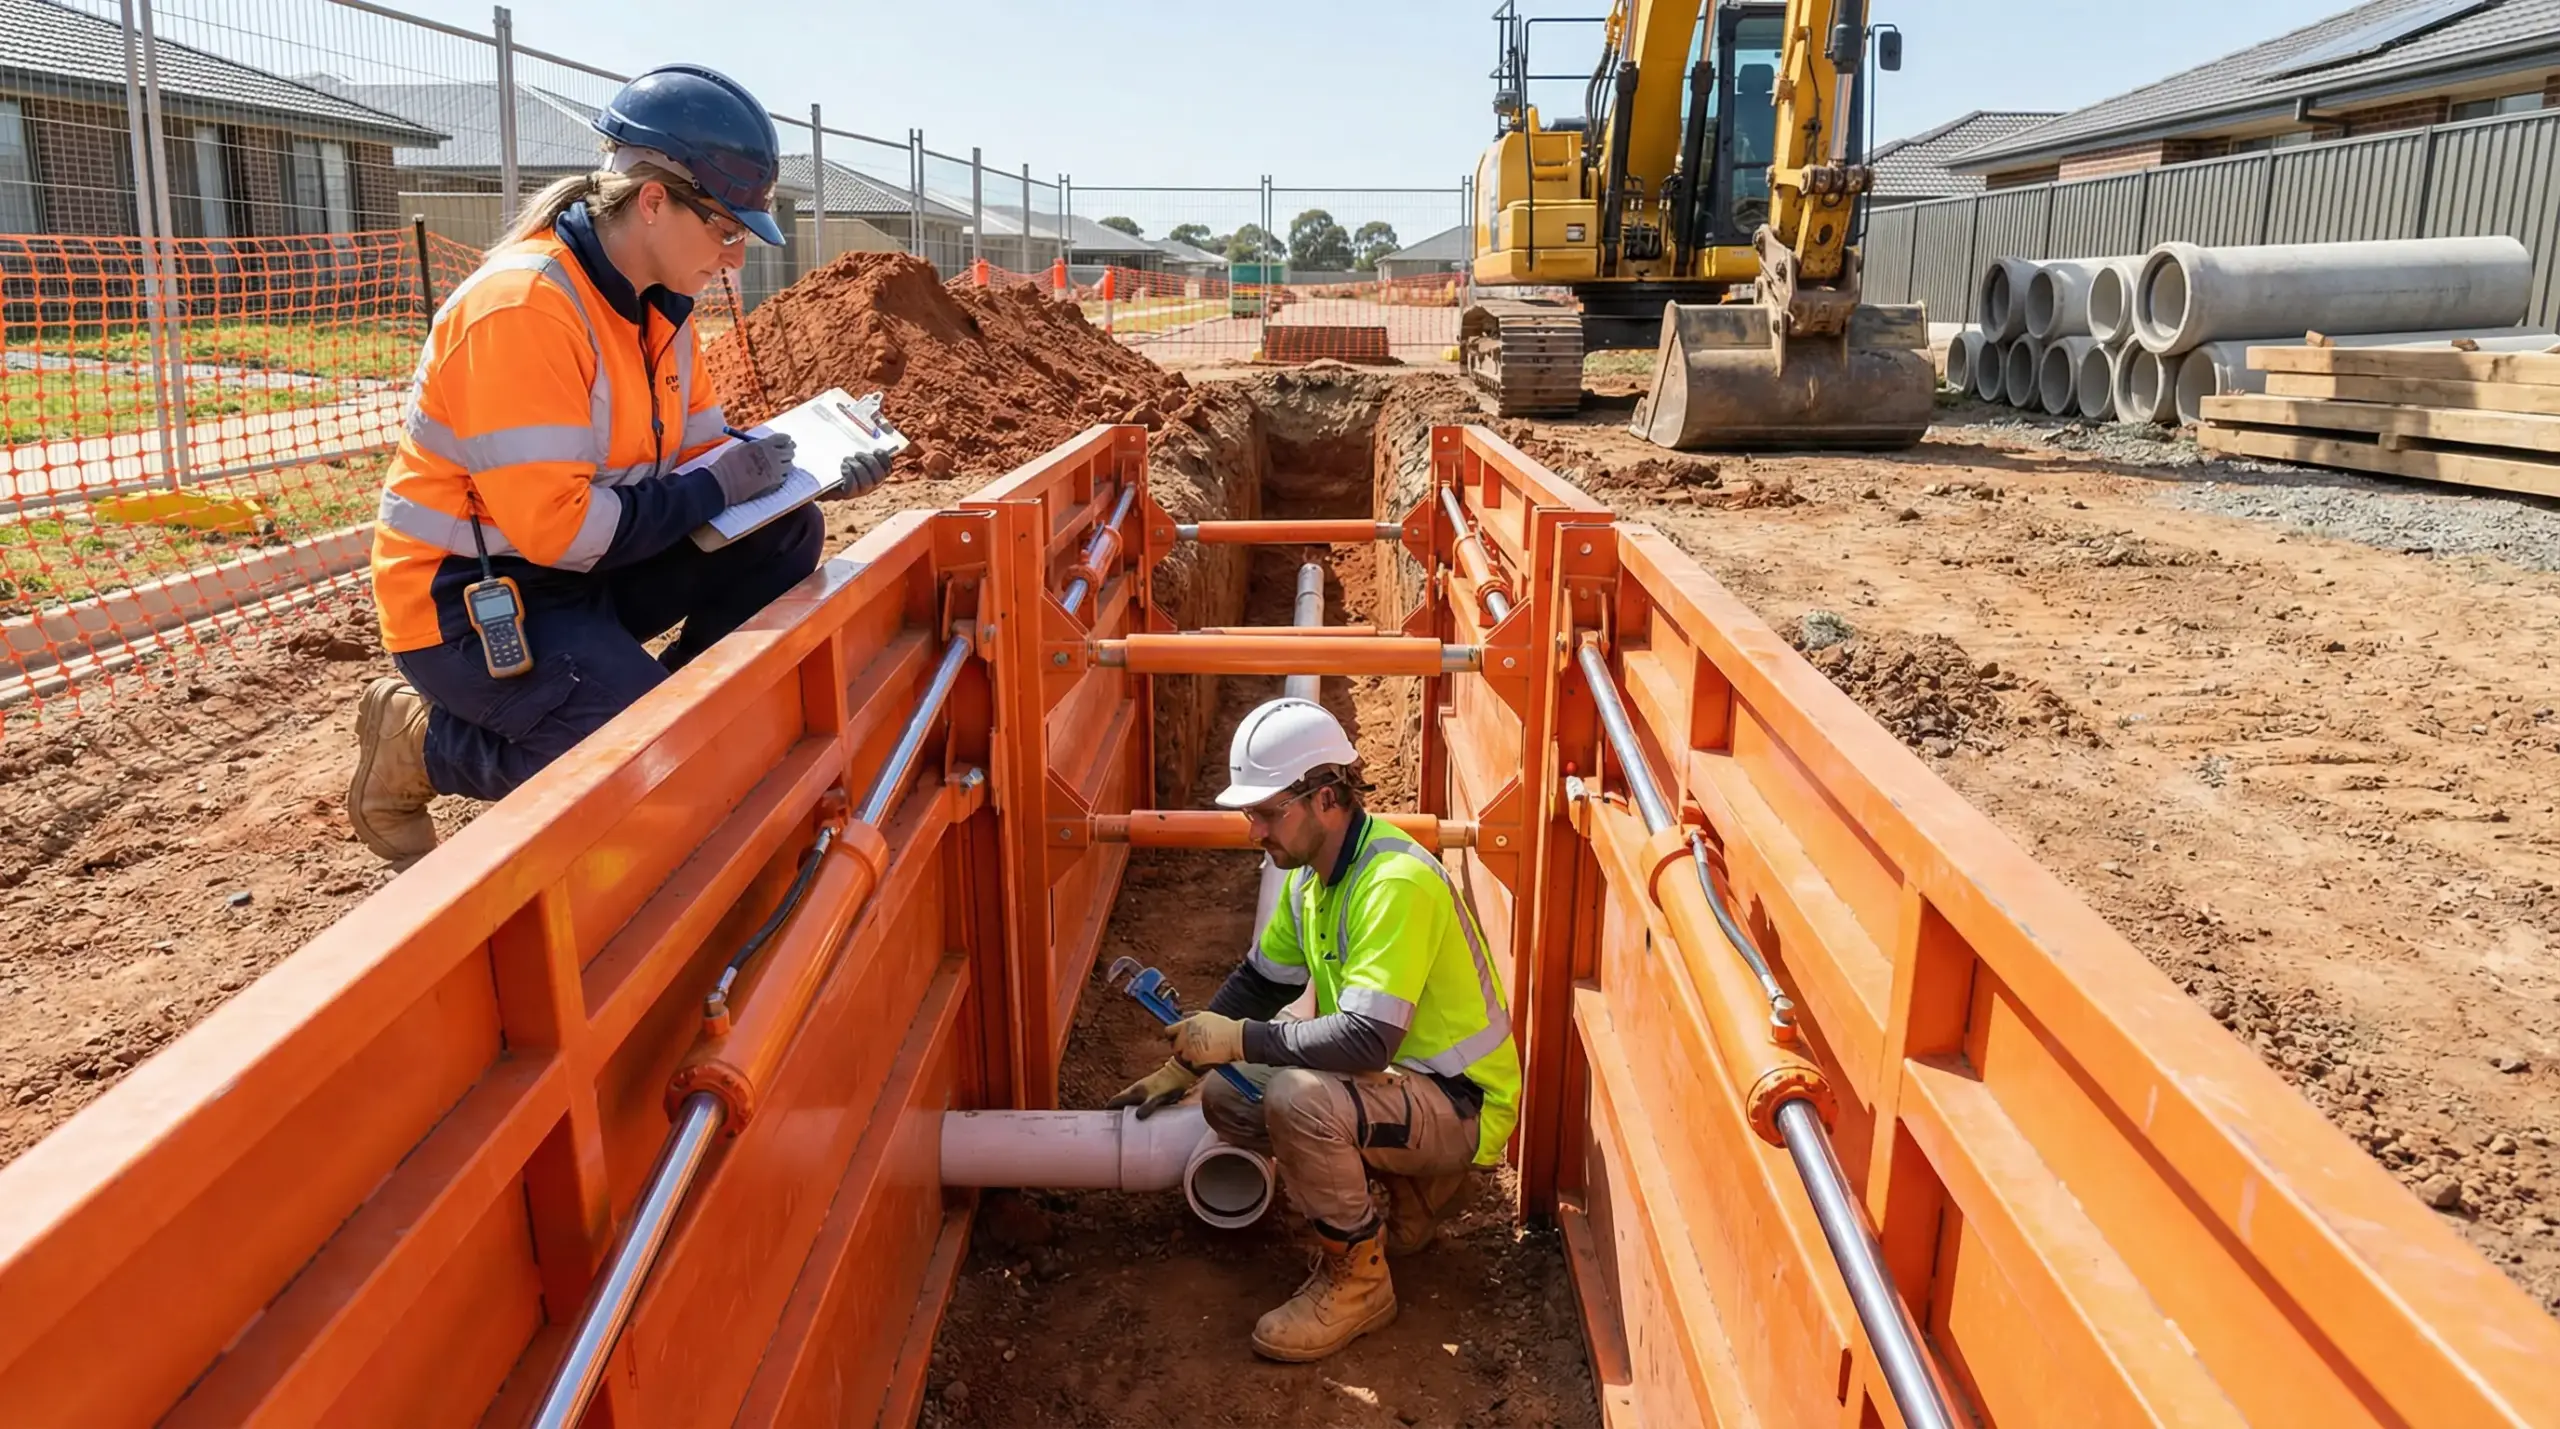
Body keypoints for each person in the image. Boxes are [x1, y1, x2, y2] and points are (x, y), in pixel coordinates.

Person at [348, 64, 891, 864]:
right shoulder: (525, 310)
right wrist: (718, 482)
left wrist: (805, 469)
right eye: (727, 230)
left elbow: (704, 455)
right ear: (654, 202)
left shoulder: (659, 310)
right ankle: (423, 744)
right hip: (474, 600)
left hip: (581, 576)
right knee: (637, 761)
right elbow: (564, 531)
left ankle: (669, 708)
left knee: (784, 534)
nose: (735, 258)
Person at [1106, 697, 1521, 1362]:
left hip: (1462, 1103)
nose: (1254, 831)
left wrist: (1240, 1040)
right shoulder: (1312, 880)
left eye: (1267, 812)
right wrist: (1186, 1063)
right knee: (1227, 1096)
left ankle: (1358, 1282)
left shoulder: (1393, 882)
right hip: (1403, 1092)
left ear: (1326, 797)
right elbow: (1261, 981)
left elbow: (1365, 1041)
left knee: (1296, 1098)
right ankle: (1412, 1190)